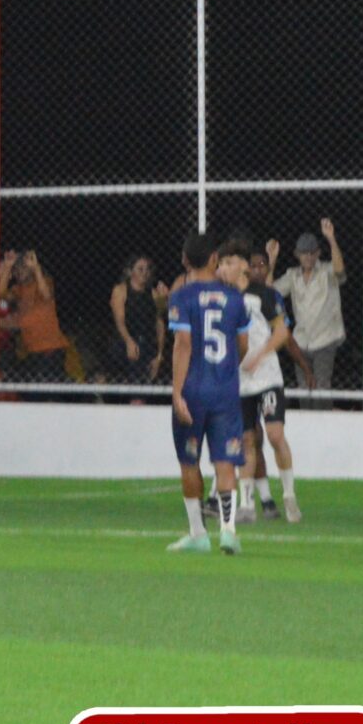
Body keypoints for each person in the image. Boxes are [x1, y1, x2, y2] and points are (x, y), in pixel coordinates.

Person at [164, 234, 249, 555]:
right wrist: (226, 369)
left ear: (185, 261)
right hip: (225, 391)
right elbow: (243, 346)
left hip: (193, 391)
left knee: (189, 461)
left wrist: (177, 393)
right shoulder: (234, 297)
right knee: (225, 461)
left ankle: (198, 534)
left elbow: (183, 344)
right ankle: (228, 531)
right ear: (214, 258)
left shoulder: (181, 297)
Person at [233, 247, 299, 523]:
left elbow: (282, 332)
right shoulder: (227, 297)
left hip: (267, 376)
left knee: (274, 434)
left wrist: (259, 355)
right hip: (240, 381)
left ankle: (289, 495)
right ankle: (246, 504)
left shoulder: (266, 295)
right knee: (247, 440)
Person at [270, 219, 347, 392]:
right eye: (304, 253)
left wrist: (331, 239)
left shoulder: (326, 271)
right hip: (301, 340)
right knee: (304, 388)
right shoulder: (292, 275)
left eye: (312, 253)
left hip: (325, 338)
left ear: (318, 253)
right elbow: (269, 292)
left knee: (321, 388)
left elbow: (340, 270)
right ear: (297, 254)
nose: (309, 257)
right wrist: (272, 260)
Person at [0, 250, 68, 384]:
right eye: (16, 269)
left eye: (23, 268)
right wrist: (7, 267)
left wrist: (36, 268)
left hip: (50, 348)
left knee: (46, 385)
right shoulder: (18, 289)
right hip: (32, 350)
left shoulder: (43, 281)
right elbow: (1, 295)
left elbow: (46, 295)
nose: (19, 272)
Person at [108, 255, 164, 384]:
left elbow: (160, 322)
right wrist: (128, 341)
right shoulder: (121, 290)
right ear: (130, 271)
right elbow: (119, 321)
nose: (145, 273)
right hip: (124, 343)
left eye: (147, 269)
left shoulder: (154, 294)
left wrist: (159, 354)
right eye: (140, 269)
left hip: (147, 344)